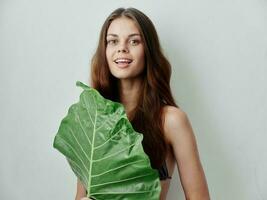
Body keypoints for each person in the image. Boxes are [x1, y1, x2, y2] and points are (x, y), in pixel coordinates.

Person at [75, 7, 210, 200]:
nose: (122, 48)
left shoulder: (171, 120)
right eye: (113, 41)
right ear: (104, 51)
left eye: (134, 41)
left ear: (148, 50)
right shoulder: (92, 119)